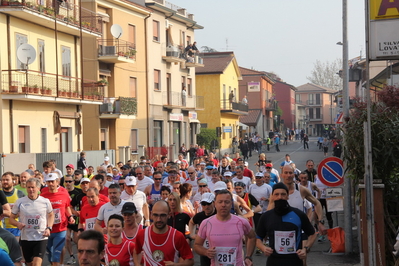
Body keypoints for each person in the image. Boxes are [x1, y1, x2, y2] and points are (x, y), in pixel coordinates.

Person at [256, 183, 317, 266]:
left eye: (283, 194)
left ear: (288, 196)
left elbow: (312, 234)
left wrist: (305, 249)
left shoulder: (298, 214)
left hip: (294, 261)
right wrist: (263, 248)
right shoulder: (266, 216)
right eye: (276, 194)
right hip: (274, 262)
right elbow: (258, 238)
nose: (280, 197)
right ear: (272, 196)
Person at [194, 190, 256, 266]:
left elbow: (252, 237)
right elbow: (197, 245)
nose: (223, 205)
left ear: (231, 203)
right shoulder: (206, 223)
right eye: (220, 202)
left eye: (227, 202)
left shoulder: (241, 222)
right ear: (215, 203)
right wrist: (206, 252)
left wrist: (248, 256)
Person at [133, 200, 194, 266]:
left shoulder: (177, 236)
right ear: (151, 214)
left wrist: (175, 265)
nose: (158, 219)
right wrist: (137, 264)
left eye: (162, 215)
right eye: (155, 215)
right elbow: (136, 252)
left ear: (169, 215)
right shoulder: (142, 234)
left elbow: (190, 261)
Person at [9, 177, 54, 266]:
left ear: (38, 188)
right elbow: (11, 219)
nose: (31, 189)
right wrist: (18, 223)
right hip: (26, 238)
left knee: (37, 263)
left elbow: (51, 214)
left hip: (41, 237)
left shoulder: (45, 201)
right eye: (28, 187)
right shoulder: (20, 202)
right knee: (29, 263)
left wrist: (49, 228)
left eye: (33, 187)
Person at [41, 173, 75, 266]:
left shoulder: (64, 192)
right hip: (47, 229)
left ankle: (59, 263)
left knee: (56, 254)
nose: (51, 184)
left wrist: (70, 216)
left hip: (61, 228)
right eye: (48, 182)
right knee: (49, 254)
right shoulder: (43, 193)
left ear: (57, 182)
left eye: (52, 181)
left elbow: (67, 207)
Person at [1, 172, 25, 239]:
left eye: (7, 180)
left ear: (13, 181)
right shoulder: (0, 193)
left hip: (16, 228)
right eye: (3, 180)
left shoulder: (19, 193)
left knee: (15, 248)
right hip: (3, 227)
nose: (5, 182)